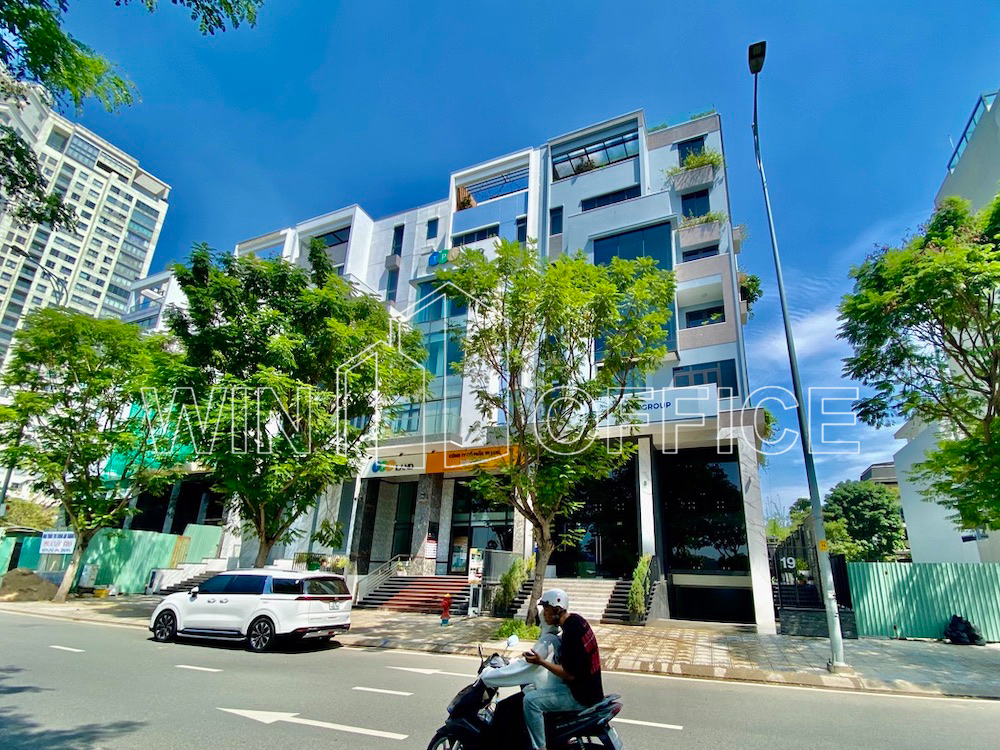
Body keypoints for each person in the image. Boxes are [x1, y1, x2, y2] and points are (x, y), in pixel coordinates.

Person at [522, 589, 603, 750]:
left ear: (557, 609)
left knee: (530, 701)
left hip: (580, 695)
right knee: (534, 692)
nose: (544, 614)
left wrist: (540, 661)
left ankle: (540, 747)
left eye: (546, 609)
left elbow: (569, 674)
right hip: (592, 689)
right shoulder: (576, 621)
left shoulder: (570, 633)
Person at [480, 615, 562, 750]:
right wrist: (515, 661)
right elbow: (529, 662)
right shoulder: (556, 638)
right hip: (549, 690)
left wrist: (487, 675)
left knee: (503, 709)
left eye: (545, 611)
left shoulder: (547, 642)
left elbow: (524, 668)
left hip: (543, 694)